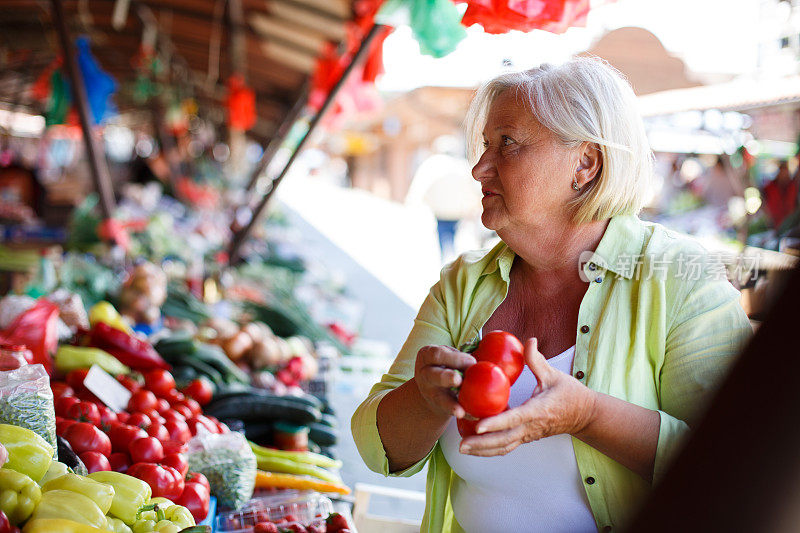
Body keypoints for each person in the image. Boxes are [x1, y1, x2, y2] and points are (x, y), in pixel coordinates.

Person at [351, 56, 752, 533]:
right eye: (485, 145)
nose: (479, 169)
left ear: (585, 163)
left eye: (507, 145)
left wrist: (586, 415)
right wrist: (425, 398)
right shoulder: (463, 284)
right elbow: (377, 446)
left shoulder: (680, 281)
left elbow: (740, 466)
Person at [763, 160, 798, 230]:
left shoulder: (793, 187)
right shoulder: (769, 187)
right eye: (782, 172)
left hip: (790, 224)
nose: (784, 175)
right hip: (773, 223)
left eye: (786, 172)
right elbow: (765, 205)